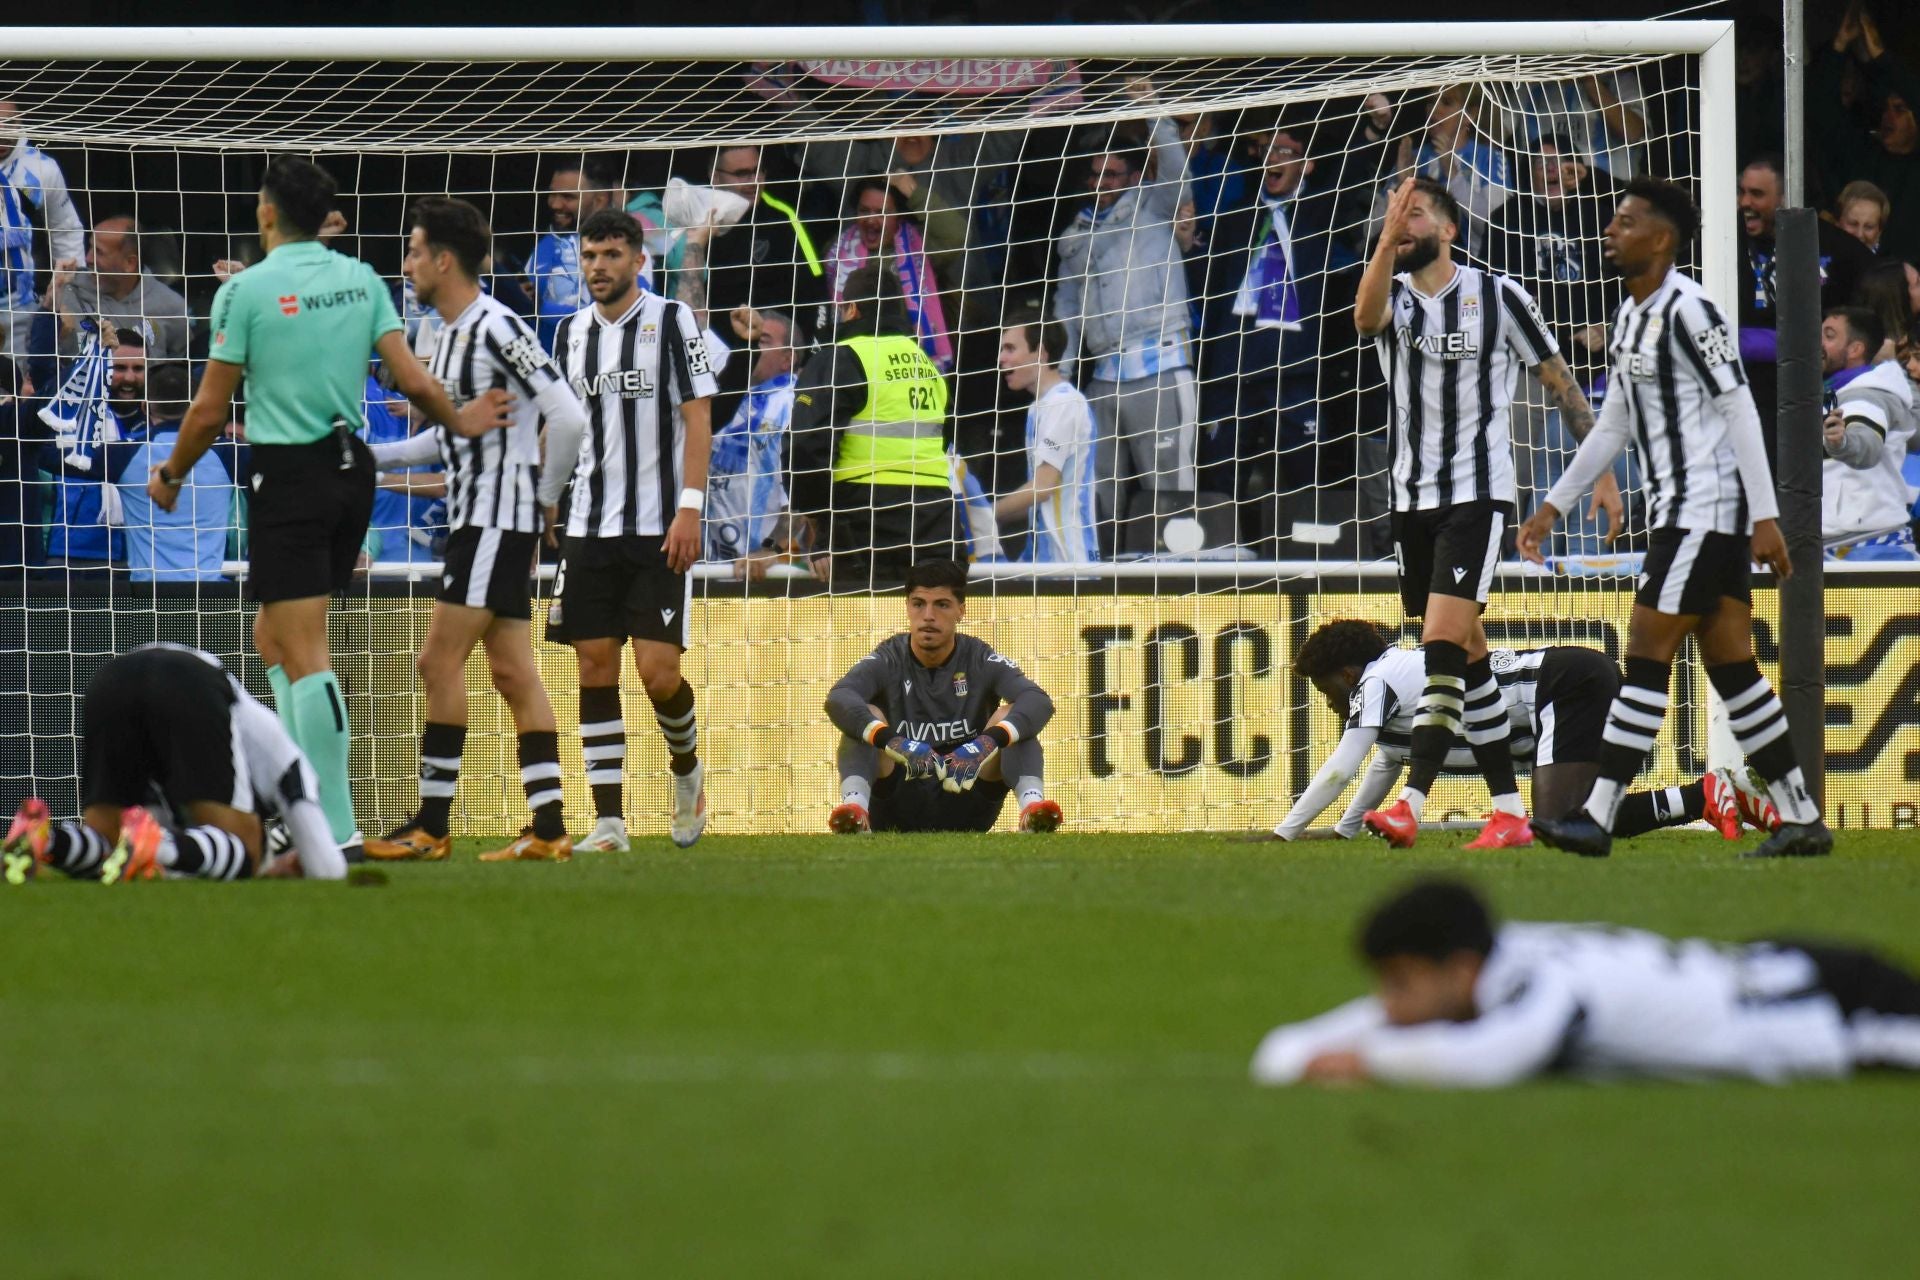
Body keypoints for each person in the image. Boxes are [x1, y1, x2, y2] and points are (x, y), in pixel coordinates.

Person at [145, 156, 511, 861]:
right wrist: (461, 422)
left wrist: (169, 473)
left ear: (266, 213)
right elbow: (410, 378)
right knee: (273, 640)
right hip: (353, 476)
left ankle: (332, 827)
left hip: (291, 476)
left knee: (307, 650)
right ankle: (296, 802)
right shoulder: (360, 279)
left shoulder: (245, 291)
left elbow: (207, 411)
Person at [1518, 177, 1832, 861]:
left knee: (1643, 653)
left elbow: (1739, 407)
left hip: (1703, 511)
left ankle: (1594, 818)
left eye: (1625, 221)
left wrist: (1766, 515)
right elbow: (1614, 424)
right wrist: (1552, 504)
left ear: (1661, 237)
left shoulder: (1693, 311)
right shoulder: (1631, 317)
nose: (1610, 230)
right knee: (1734, 671)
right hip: (1682, 514)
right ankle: (1802, 818)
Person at [1353, 177, 1597, 852]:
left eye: (1417, 212)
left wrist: (1598, 471)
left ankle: (1411, 803)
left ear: (1451, 228)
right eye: (1395, 213)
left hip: (1477, 496)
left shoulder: (1499, 296)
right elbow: (1362, 320)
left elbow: (1559, 382)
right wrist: (1385, 236)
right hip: (1410, 501)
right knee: (1468, 653)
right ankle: (1510, 813)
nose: (1403, 221)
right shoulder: (1393, 298)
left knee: (1438, 646)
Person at [358, 198, 589, 864]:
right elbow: (451, 431)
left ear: (444, 259)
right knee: (515, 673)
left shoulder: (496, 326)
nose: (406, 265)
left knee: (437, 661)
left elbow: (567, 418)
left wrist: (545, 499)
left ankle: (432, 825)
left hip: (495, 517)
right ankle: (548, 829)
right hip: (485, 516)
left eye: (412, 251)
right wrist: (379, 457)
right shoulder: (447, 331)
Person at [1250, 877, 1920, 1086]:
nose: (1386, 1005)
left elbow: (1494, 1059)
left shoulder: (1548, 988)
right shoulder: (1500, 957)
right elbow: (1301, 1045)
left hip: (1831, 1011)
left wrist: (1365, 1063)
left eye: (1398, 983)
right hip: (1770, 970)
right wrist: (1296, 1051)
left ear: (1459, 971)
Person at [1264, 619, 1778, 844]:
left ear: (1347, 673)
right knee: (1579, 823)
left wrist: (1285, 832)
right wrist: (1346, 829)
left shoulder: (1375, 680)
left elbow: (1344, 764)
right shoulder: (1396, 692)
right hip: (1572, 681)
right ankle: (1706, 796)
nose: (1329, 699)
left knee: (1560, 822)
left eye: (1326, 687)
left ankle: (1707, 794)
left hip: (1562, 685)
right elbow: (1380, 765)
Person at [549, 207, 717, 852]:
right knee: (594, 666)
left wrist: (691, 508)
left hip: (659, 526)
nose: (599, 266)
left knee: (658, 673)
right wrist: (548, 497)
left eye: (612, 254)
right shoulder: (568, 332)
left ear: (638, 260)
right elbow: (564, 425)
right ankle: (610, 822)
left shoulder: (671, 320)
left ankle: (687, 771)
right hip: (589, 524)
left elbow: (697, 418)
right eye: (590, 255)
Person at [2, 644, 346, 883]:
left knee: (108, 842)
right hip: (189, 680)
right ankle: (160, 848)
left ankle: (43, 840)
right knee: (245, 846)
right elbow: (329, 869)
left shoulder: (253, 739)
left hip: (110, 680)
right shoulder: (290, 764)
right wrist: (277, 864)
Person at [1194, 124, 1363, 529]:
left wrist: (1374, 126)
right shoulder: (1235, 216)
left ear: (1307, 166)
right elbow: (1212, 288)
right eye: (1268, 150)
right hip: (1232, 366)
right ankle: (1220, 555)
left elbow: (1358, 178)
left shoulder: (1322, 213)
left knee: (1304, 469)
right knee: (1220, 470)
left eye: (1286, 152)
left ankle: (1307, 565)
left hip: (1294, 368)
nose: (1274, 158)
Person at [823, 559, 1059, 835]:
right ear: (907, 607)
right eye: (918, 603)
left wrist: (984, 743)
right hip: (898, 798)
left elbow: (1038, 700)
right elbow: (839, 697)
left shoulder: (980, 658)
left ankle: (1033, 812)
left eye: (942, 605)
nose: (928, 616)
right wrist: (894, 742)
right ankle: (855, 813)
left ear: (961, 610)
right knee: (863, 716)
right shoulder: (888, 658)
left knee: (1014, 718)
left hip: (966, 795)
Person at [1053, 83, 1197, 531]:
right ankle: (1100, 581)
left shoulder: (1155, 203)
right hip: (1101, 378)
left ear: (1133, 176)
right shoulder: (1074, 234)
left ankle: (1178, 587)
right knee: (1096, 487)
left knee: (1168, 485)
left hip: (1160, 364)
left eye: (1111, 175)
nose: (1101, 185)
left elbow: (1176, 166)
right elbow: (1067, 306)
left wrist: (1153, 111)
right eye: (1095, 176)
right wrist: (1062, 371)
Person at [1486, 135, 1628, 557]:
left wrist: (1609, 325)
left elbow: (1631, 284)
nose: (1550, 171)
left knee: (1597, 466)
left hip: (1594, 370)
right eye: (1541, 163)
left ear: (1577, 170)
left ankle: (1588, 561)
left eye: (1561, 163)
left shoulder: (1602, 216)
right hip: (1527, 371)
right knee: (1522, 471)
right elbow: (1495, 297)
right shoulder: (1507, 218)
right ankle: (1509, 560)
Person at [787, 263, 959, 588]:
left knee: (862, 631)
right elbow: (945, 437)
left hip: (864, 520)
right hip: (935, 519)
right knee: (929, 629)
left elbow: (805, 447)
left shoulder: (842, 358)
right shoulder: (927, 364)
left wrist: (821, 526)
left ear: (852, 310)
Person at [1737, 154, 1876, 462]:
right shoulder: (1722, 240)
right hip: (1744, 390)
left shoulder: (1840, 250)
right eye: (1741, 191)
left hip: (1809, 393)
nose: (1745, 202)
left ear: (1785, 197)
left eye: (1757, 194)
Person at [107, 361, 244, 582]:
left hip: (146, 599)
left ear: (145, 407)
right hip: (208, 597)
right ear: (195, 407)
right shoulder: (228, 453)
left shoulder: (123, 454)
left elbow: (45, 452)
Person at [1812, 4, 1920, 260]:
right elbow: (1820, 111)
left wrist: (1881, 58)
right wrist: (1838, 46)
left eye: (1899, 109)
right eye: (1885, 109)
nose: (1888, 117)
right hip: (1856, 278)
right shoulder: (1862, 154)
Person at [40, 326, 146, 573]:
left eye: (138, 369)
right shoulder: (69, 416)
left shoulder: (155, 425)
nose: (129, 378)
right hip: (68, 554)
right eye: (120, 368)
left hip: (134, 555)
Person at [992, 320, 1097, 566]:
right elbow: (1039, 497)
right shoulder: (1038, 407)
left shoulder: (1063, 403)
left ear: (1040, 353)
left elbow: (1042, 487)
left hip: (1068, 562)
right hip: (1043, 558)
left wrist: (986, 514)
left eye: (1009, 349)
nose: (1001, 359)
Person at [1820, 305, 1919, 561]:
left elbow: (1866, 446)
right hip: (1837, 546)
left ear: (1855, 349)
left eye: (1829, 336)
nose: (1817, 343)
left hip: (1868, 548)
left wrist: (1842, 442)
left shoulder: (1867, 394)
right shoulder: (1836, 391)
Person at [827, 177, 951, 371]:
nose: (870, 220)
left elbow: (957, 235)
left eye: (882, 213)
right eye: (864, 211)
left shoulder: (919, 246)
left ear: (898, 216)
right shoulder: (838, 248)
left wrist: (915, 194)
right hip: (855, 364)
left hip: (909, 364)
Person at [705, 305, 797, 566]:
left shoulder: (793, 403)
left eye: (764, 340)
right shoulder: (725, 398)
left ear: (787, 358)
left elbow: (802, 493)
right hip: (706, 561)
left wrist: (772, 550)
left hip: (764, 569)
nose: (754, 344)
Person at [0, 100, 84, 359]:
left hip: (19, 300)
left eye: (9, 124)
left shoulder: (41, 168)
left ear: (20, 120)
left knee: (17, 378)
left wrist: (67, 296)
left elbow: (66, 230)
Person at [49, 214, 191, 360]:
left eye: (99, 252)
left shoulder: (171, 307)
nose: (88, 258)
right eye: (90, 247)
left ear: (130, 263)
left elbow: (183, 369)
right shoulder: (64, 297)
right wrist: (54, 332)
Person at [527, 158, 625, 353]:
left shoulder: (626, 249)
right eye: (552, 195)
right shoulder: (545, 246)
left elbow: (620, 316)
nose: (554, 204)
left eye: (567, 197)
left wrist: (540, 309)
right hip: (552, 369)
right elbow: (524, 307)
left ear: (600, 200)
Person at [1836, 180, 1891, 254]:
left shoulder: (1889, 265)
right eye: (1853, 224)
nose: (1859, 234)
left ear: (1879, 232)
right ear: (1837, 224)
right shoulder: (1816, 258)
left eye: (1869, 227)